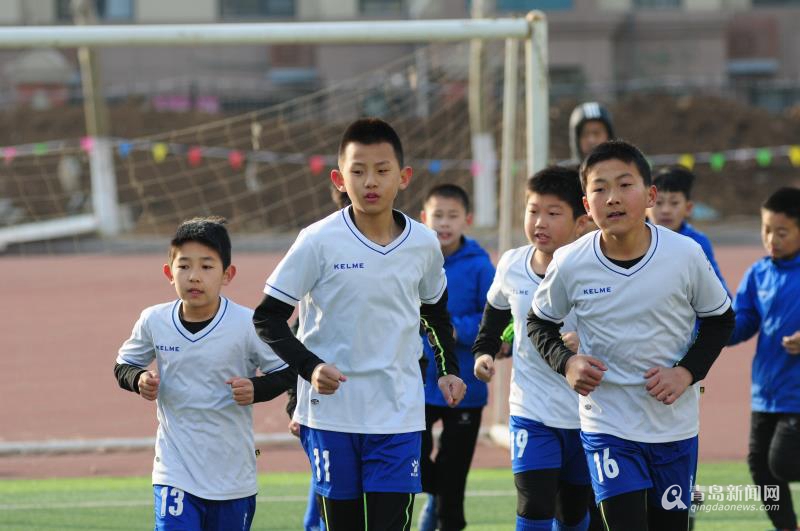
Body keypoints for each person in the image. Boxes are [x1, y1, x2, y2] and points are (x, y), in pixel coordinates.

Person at [253, 117, 466, 531]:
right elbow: (268, 317)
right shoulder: (317, 240)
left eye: (382, 170)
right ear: (339, 178)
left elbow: (435, 310)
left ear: (403, 177)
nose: (371, 181)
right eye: (358, 171)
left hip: (398, 413)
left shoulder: (423, 243)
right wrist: (310, 367)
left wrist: (448, 370)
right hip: (332, 416)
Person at [528, 140, 735, 530]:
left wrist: (686, 372)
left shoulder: (685, 254)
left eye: (625, 185)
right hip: (607, 425)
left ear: (650, 195)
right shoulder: (570, 261)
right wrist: (566, 363)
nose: (613, 198)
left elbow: (720, 319)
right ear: (587, 205)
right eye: (600, 188)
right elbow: (538, 322)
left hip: (674, 427)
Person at [113, 217, 296, 531]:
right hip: (174, 470)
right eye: (184, 266)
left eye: (207, 267)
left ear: (227, 275)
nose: (194, 276)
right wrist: (139, 379)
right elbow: (123, 365)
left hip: (233, 477)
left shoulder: (247, 324)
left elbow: (287, 371)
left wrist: (257, 388)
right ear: (169, 272)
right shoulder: (154, 320)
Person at [472, 166, 592, 531]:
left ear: (580, 222)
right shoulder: (512, 264)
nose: (540, 222)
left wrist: (586, 342)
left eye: (553, 213)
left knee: (573, 513)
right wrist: (484, 352)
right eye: (533, 210)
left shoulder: (594, 269)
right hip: (531, 410)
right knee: (534, 506)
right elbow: (494, 315)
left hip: (588, 414)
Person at [417, 184, 495, 531]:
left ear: (467, 220)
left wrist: (455, 330)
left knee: (454, 472)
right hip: (419, 384)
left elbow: (493, 317)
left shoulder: (480, 266)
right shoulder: (414, 259)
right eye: (437, 215)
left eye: (453, 216)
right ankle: (438, 494)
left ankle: (447, 514)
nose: (444, 223)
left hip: (466, 386)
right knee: (413, 458)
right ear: (424, 218)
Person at [726, 186, 800, 531]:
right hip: (766, 392)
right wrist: (709, 331)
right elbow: (743, 322)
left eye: (781, 232)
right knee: (761, 467)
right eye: (766, 230)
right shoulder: (758, 273)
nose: (771, 239)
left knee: (784, 462)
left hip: (797, 394)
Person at [649, 165, 728, 292]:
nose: (666, 210)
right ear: (646, 205)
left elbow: (716, 289)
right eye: (659, 202)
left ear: (688, 208)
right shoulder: (635, 239)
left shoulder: (698, 243)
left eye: (674, 203)